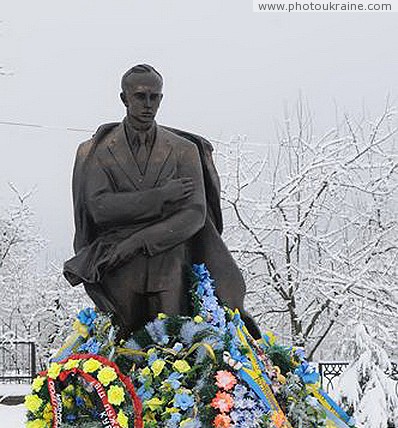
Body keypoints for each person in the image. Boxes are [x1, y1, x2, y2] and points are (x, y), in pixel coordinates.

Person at [64, 64, 259, 338]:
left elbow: (194, 213)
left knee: (175, 342)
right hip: (117, 260)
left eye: (154, 97)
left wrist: (139, 240)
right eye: (140, 96)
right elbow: (101, 209)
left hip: (169, 256)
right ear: (124, 98)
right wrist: (161, 197)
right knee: (124, 341)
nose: (148, 104)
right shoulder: (99, 151)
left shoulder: (184, 150)